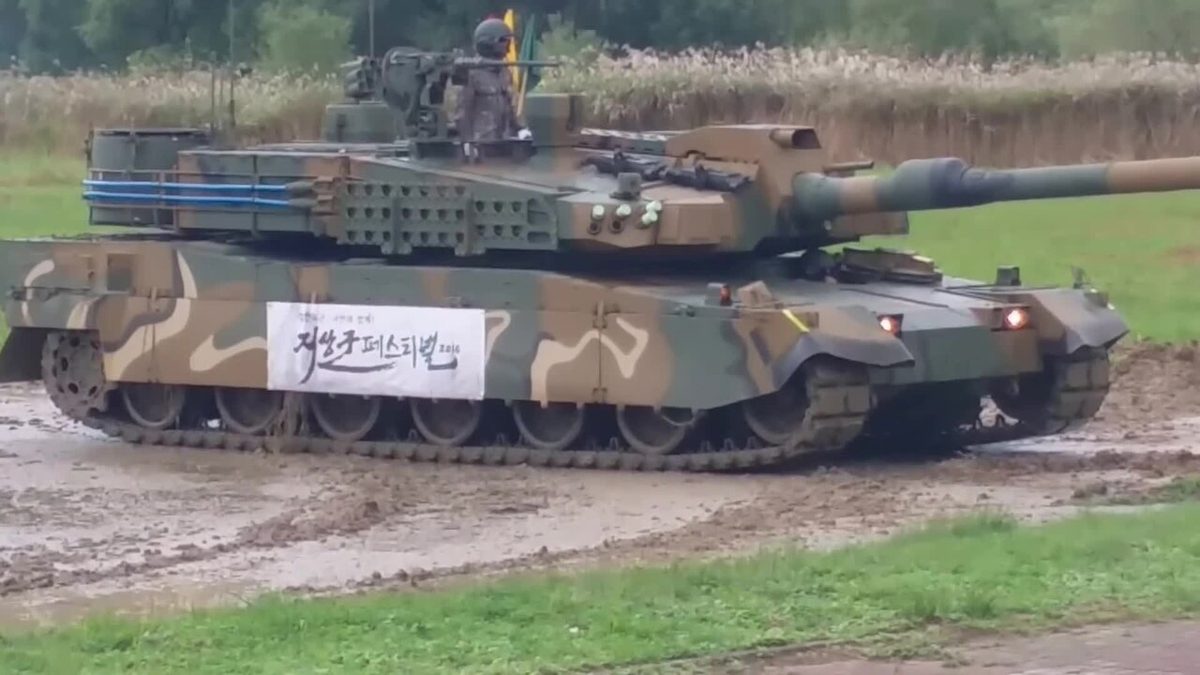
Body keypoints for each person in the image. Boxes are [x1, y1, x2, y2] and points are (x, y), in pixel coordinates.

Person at [456, 17, 532, 160]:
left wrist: (521, 129)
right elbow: (462, 112)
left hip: (506, 143)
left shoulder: (504, 72)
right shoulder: (470, 74)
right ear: (489, 43)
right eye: (504, 42)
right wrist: (467, 142)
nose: (508, 47)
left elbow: (511, 107)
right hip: (482, 146)